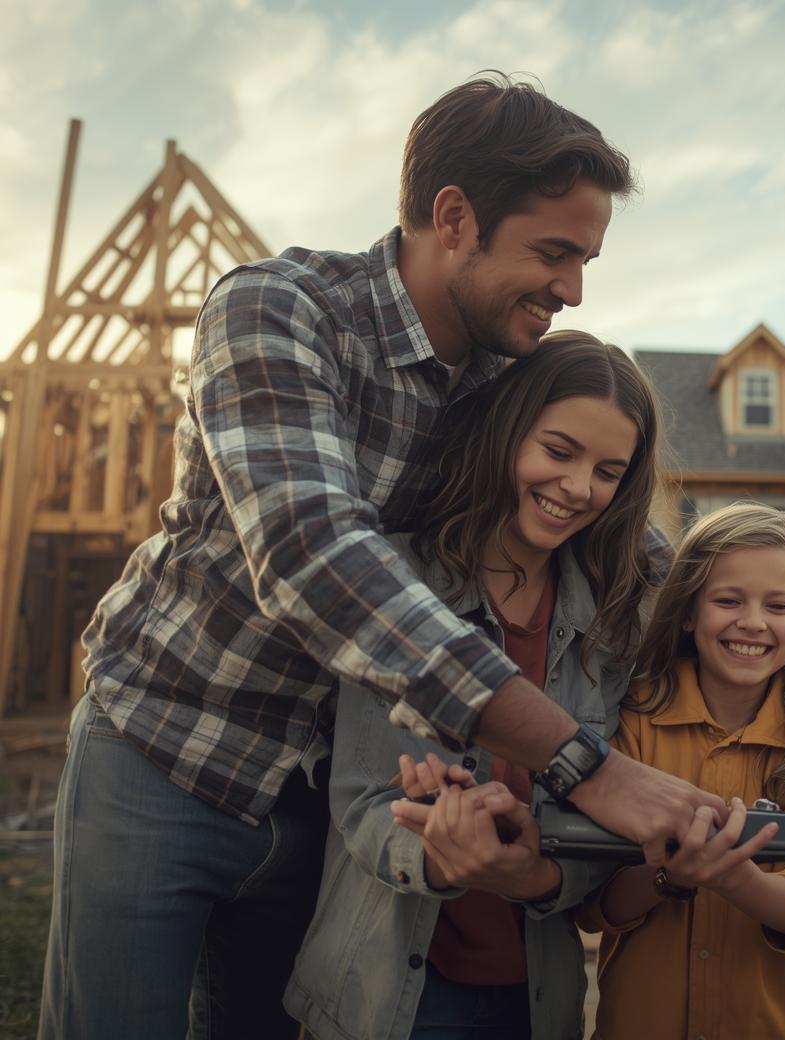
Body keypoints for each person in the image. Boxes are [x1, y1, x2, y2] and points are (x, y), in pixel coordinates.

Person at [40, 74, 721, 1040]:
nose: (572, 291)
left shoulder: (504, 378)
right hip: (166, 754)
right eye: (554, 253)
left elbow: (616, 538)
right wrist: (586, 766)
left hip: (324, 801)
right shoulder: (279, 310)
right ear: (454, 218)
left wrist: (744, 603)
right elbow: (312, 553)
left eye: (585, 260)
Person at [286, 332, 659, 1040]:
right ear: (507, 431)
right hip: (386, 993)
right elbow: (362, 801)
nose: (579, 488)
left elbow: (604, 829)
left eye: (608, 471)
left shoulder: (608, 626)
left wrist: (534, 877)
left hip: (535, 999)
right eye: (558, 452)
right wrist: (436, 847)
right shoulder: (396, 583)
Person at [578, 503, 785, 1039]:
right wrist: (671, 878)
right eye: (728, 600)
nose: (753, 622)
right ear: (689, 611)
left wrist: (735, 880)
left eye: (778, 605)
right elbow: (593, 902)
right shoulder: (634, 722)